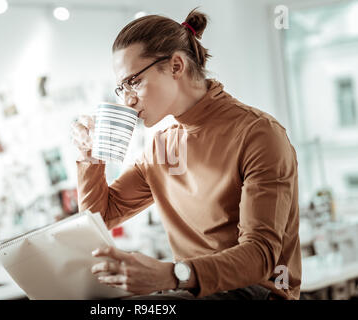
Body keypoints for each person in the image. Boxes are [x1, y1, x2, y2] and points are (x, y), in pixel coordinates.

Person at [71, 8, 301, 300]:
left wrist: (172, 274)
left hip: (258, 292)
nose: (127, 100)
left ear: (176, 66)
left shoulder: (258, 133)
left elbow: (261, 256)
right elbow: (99, 220)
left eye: (134, 82)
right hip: (192, 291)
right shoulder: (161, 147)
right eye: (121, 88)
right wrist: (90, 158)